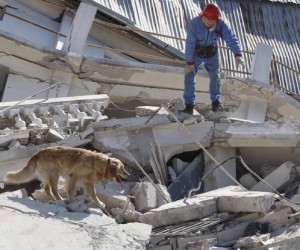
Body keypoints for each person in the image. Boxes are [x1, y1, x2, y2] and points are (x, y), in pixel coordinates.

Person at [182, 3, 245, 114]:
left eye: (212, 20)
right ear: (203, 16)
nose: (209, 22)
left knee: (215, 77)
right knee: (189, 76)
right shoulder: (194, 23)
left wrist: (238, 54)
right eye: (207, 19)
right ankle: (189, 106)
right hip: (195, 53)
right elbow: (190, 43)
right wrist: (189, 62)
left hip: (212, 53)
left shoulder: (221, 24)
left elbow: (231, 38)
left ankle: (216, 103)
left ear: (216, 19)